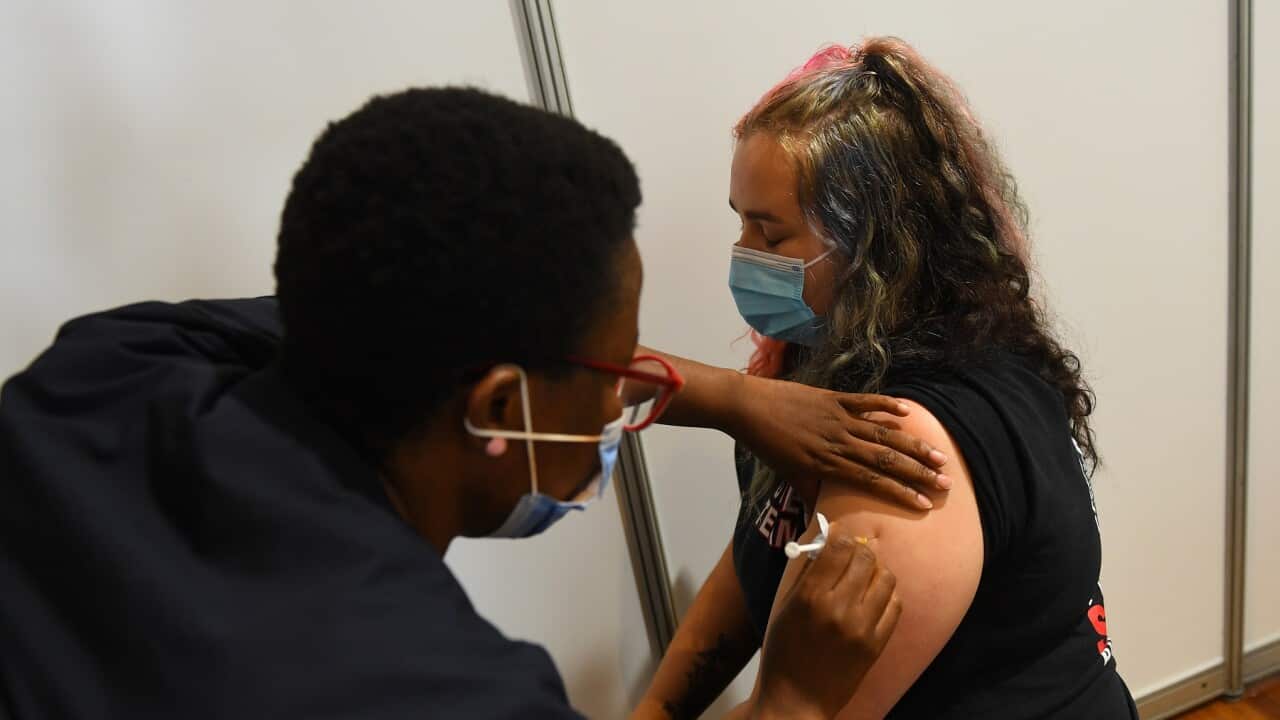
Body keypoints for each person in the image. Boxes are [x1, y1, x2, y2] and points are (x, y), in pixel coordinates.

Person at [0, 87, 935, 719]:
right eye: (614, 375)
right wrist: (794, 703)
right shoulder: (440, 691)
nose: (627, 400)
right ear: (498, 406)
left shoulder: (114, 367)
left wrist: (731, 397)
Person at [637, 38, 1139, 719]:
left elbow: (794, 710)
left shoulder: (900, 445)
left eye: (771, 235)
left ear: (871, 242)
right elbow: (764, 538)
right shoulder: (823, 363)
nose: (743, 255)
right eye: (740, 222)